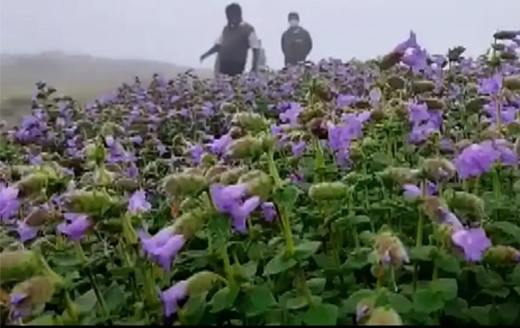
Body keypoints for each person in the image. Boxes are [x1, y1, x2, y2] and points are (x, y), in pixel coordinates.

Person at [200, 3, 260, 76]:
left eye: (229, 16)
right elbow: (218, 45)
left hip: (237, 66)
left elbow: (255, 49)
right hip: (223, 66)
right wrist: (205, 55)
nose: (228, 19)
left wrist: (254, 68)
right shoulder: (226, 29)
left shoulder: (248, 30)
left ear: (237, 15)